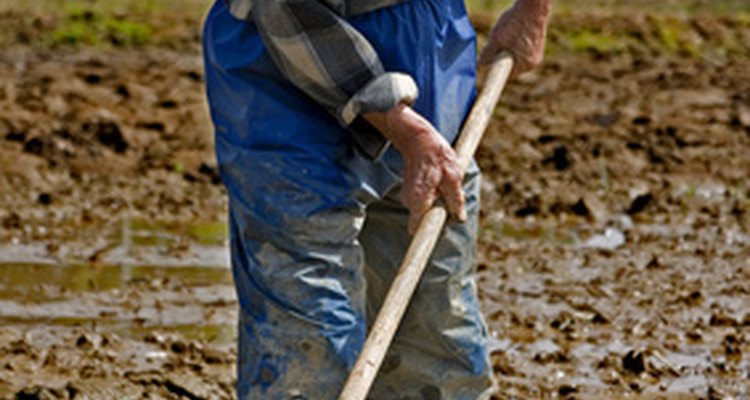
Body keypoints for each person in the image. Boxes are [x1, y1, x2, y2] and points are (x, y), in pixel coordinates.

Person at [202, 0, 550, 398]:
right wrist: (399, 123)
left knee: (433, 313)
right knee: (308, 330)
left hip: (424, 37)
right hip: (282, 54)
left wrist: (532, 11)